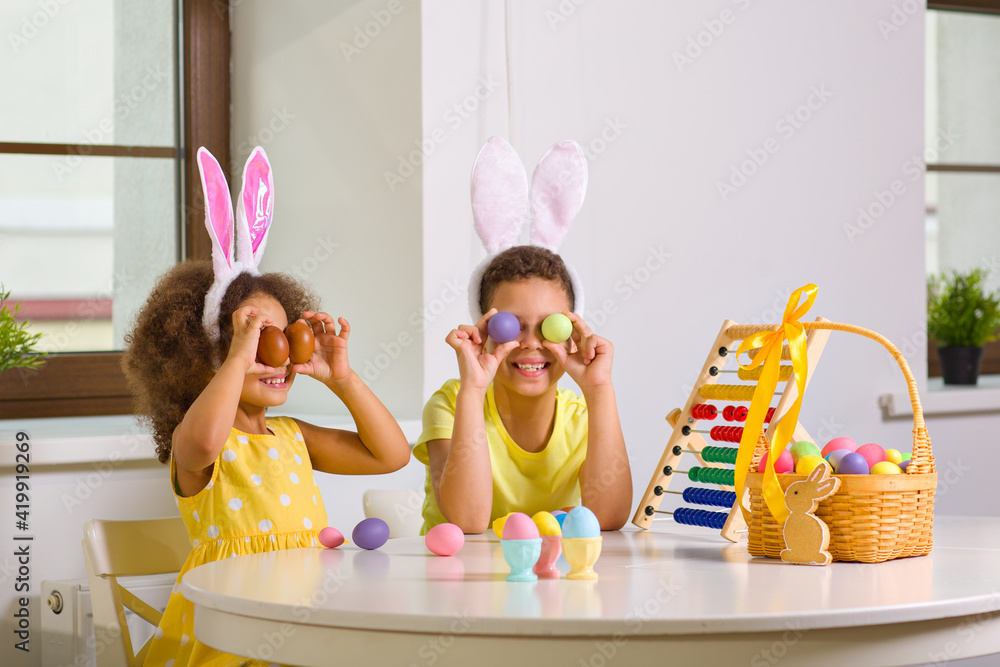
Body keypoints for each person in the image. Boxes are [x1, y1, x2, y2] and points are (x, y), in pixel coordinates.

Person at [122, 147, 410, 666]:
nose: (274, 353)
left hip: (301, 630)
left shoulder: (293, 436)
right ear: (203, 356)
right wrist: (237, 355)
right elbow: (204, 440)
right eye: (253, 338)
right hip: (229, 636)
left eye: (281, 337)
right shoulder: (200, 446)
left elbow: (391, 456)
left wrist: (341, 378)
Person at [412, 138, 632, 535]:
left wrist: (599, 390)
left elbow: (610, 518)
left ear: (573, 334)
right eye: (511, 327)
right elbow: (468, 520)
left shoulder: (581, 418)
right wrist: (473, 391)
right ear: (483, 331)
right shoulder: (452, 404)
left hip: (550, 583)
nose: (531, 344)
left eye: (551, 327)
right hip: (460, 588)